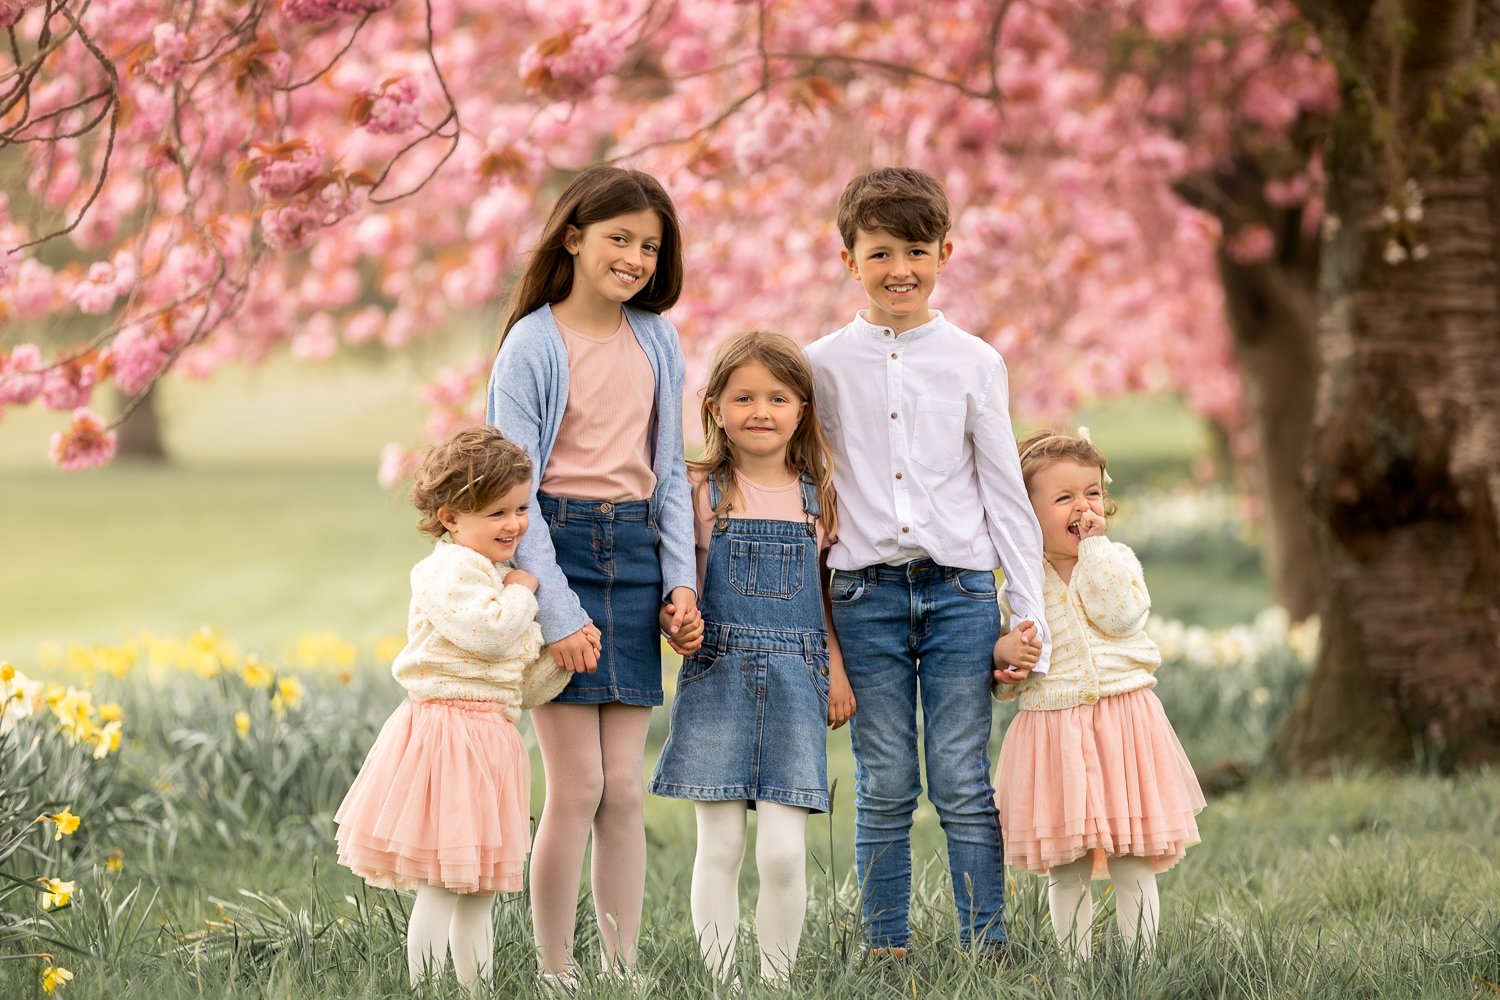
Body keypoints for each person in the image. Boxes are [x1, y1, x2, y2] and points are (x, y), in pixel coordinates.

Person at [804, 166, 1049, 961]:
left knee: (962, 779)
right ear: (848, 260)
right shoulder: (820, 366)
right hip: (863, 594)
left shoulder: (975, 362)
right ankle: (885, 948)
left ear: (946, 251)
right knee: (883, 783)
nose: (898, 270)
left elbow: (1004, 491)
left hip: (960, 595)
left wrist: (1026, 611)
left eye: (914, 250)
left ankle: (988, 943)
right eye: (879, 253)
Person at [486, 165, 703, 987]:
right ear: (572, 238)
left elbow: (670, 474)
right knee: (575, 786)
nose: (636, 258)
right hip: (559, 551)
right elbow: (515, 495)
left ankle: (620, 968)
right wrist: (559, 613)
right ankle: (555, 969)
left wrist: (680, 583)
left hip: (637, 555)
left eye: (650, 245)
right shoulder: (533, 345)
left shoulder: (657, 339)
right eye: (619, 238)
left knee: (624, 790)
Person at [648, 330, 855, 984]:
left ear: (802, 410)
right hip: (718, 677)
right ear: (713, 407)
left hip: (799, 682)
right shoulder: (699, 491)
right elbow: (674, 581)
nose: (760, 411)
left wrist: (838, 673)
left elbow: (824, 599)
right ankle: (721, 979)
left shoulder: (818, 496)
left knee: (785, 855)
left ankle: (776, 979)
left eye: (777, 397)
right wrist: (674, 620)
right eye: (742, 397)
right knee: (722, 845)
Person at [333, 425, 569, 987]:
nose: (513, 524)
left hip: (491, 737)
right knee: (441, 884)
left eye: (519, 508)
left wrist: (562, 658)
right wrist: (524, 591)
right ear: (450, 517)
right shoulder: (449, 572)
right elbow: (488, 634)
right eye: (496, 514)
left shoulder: (494, 575)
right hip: (446, 735)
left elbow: (516, 681)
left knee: (481, 888)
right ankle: (424, 986)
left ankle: (474, 987)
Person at [995, 428, 1205, 960]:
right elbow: (1000, 679)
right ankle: (1075, 966)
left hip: (1123, 724)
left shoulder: (1116, 561)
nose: (1082, 506)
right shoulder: (1017, 587)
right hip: (1054, 731)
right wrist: (1005, 660)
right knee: (1067, 866)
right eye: (1063, 497)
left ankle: (1140, 963)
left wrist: (1096, 551)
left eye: (1091, 492)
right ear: (1026, 512)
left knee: (1134, 855)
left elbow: (1121, 615)